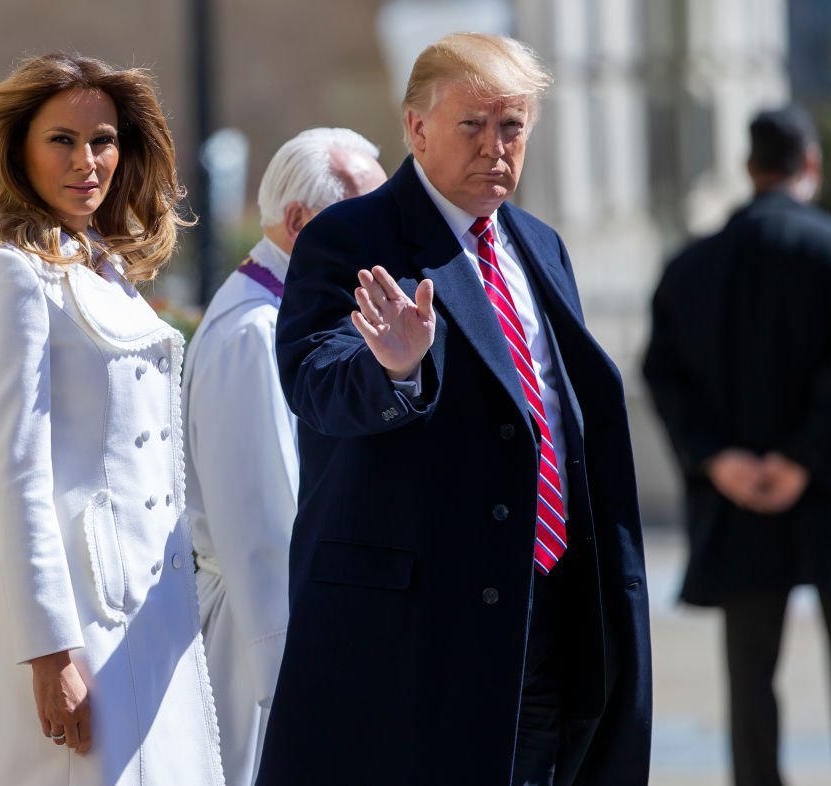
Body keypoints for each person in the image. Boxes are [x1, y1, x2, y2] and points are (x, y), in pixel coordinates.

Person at [257, 33, 652, 786]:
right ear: (415, 127)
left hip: (545, 617)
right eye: (472, 125)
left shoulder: (538, 244)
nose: (495, 149)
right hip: (416, 638)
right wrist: (393, 368)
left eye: (512, 128)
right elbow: (314, 382)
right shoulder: (352, 236)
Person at [0, 53, 224, 786]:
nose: (87, 161)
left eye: (102, 139)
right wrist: (48, 652)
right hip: (82, 615)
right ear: (20, 149)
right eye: (61, 141)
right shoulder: (8, 270)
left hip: (150, 605)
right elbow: (16, 477)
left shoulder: (99, 263)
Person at [643, 105, 831, 786]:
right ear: (809, 165)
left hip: (738, 489)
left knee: (750, 668)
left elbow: (660, 371)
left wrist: (719, 458)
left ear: (748, 169)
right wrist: (801, 460)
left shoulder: (691, 264)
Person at [182, 127, 386, 786]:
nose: (383, 235)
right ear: (300, 223)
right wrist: (302, 687)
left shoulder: (292, 310)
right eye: (364, 215)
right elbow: (266, 531)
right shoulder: (254, 334)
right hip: (267, 653)